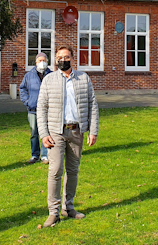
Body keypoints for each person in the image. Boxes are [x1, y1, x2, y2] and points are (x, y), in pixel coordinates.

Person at [36, 46, 99, 228]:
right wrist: (44, 133)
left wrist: (93, 130)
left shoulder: (83, 78)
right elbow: (41, 108)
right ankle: (53, 212)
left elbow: (92, 105)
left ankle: (68, 207)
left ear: (73, 58)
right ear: (56, 60)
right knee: (55, 171)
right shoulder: (49, 80)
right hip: (56, 131)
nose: (63, 59)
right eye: (59, 57)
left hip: (77, 131)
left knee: (73, 171)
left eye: (66, 57)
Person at [20, 53, 52, 164]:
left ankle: (45, 155)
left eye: (44, 60)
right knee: (34, 133)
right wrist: (28, 102)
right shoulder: (29, 75)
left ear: (47, 61)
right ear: (36, 62)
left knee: (46, 133)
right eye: (40, 60)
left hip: (48, 110)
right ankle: (35, 155)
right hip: (33, 110)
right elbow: (22, 89)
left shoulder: (52, 75)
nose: (42, 62)